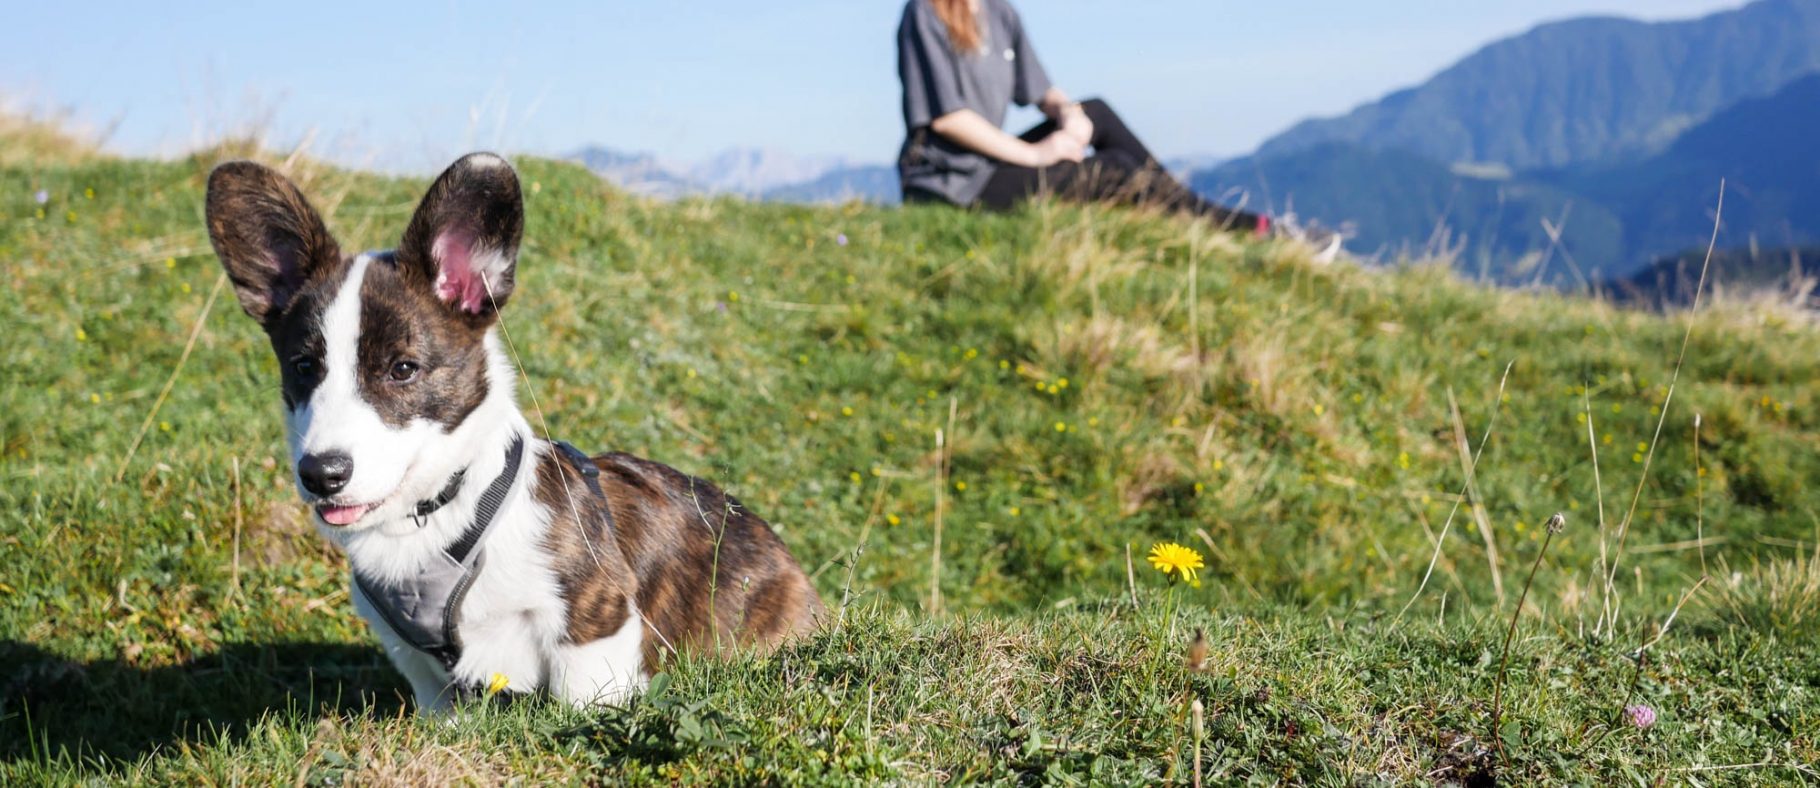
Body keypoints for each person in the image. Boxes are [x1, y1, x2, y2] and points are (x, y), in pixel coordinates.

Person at [895, 0, 1340, 259]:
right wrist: (1037, 154)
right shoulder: (925, 13)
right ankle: (1250, 230)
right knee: (1114, 170)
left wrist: (1068, 114)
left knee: (1097, 112)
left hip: (993, 161)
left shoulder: (998, 11)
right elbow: (947, 117)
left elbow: (1039, 89)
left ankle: (1193, 210)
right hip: (951, 183)